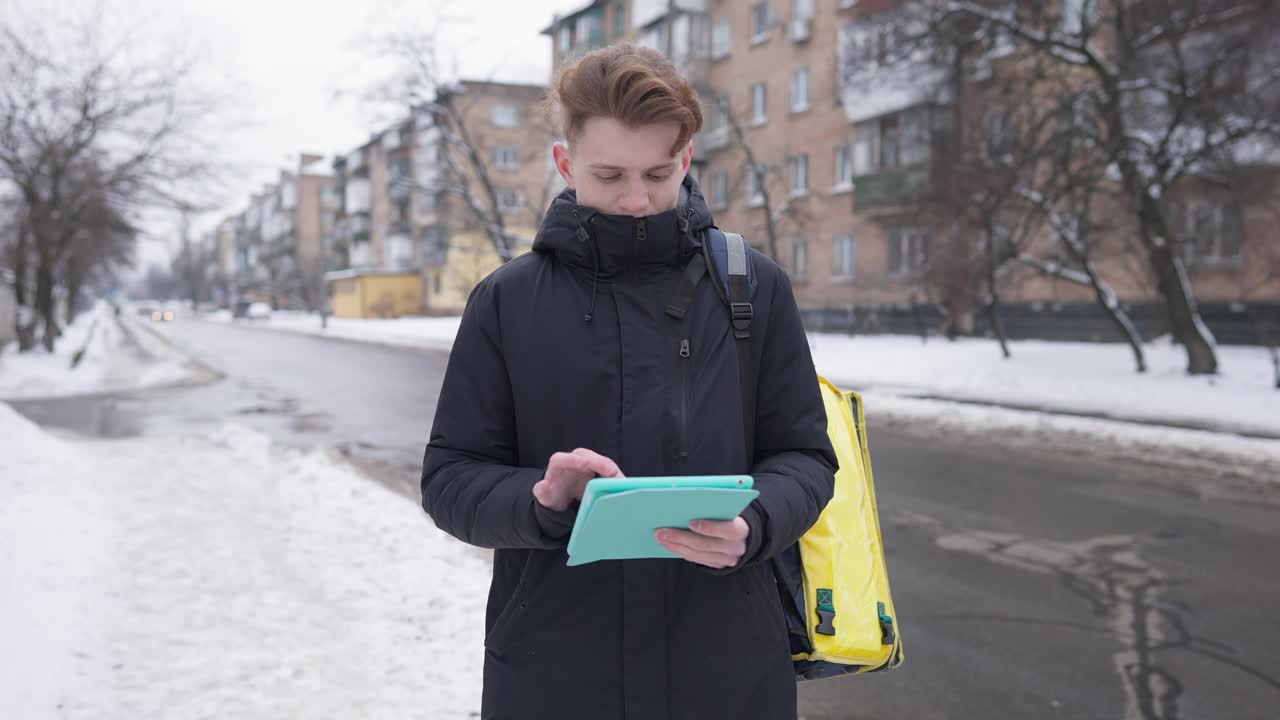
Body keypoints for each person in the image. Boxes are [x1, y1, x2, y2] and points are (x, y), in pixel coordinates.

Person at [421, 42, 836, 720]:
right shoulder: (506, 301)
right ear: (565, 162)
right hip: (556, 672)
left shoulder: (753, 287)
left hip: (728, 670)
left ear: (688, 158)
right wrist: (540, 498)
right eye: (610, 174)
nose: (637, 199)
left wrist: (755, 524)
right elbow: (449, 479)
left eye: (658, 172)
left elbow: (807, 458)